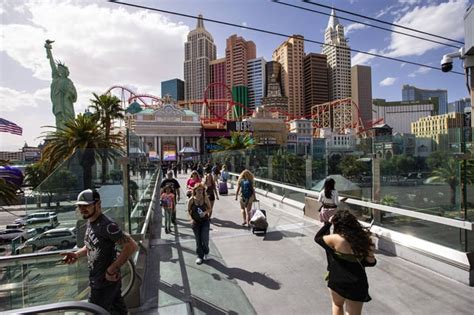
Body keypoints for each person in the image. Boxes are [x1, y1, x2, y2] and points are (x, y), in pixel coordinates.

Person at [62, 189, 138, 314]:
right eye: (80, 206)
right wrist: (76, 254)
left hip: (103, 284)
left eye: (86, 205)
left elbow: (131, 246)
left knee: (93, 312)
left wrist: (111, 269)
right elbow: (90, 246)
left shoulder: (107, 225)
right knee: (118, 311)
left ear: (98, 204)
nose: (82, 209)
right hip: (101, 281)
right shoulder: (90, 222)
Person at [314, 210, 376, 315]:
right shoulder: (365, 239)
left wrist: (329, 223)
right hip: (357, 282)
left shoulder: (335, 239)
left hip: (337, 278)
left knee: (337, 305)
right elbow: (371, 262)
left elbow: (318, 238)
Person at [44, 40, 76, 131]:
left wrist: (68, 94)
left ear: (65, 71)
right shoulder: (56, 78)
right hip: (57, 103)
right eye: (58, 69)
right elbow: (52, 63)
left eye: (60, 69)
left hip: (67, 103)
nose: (59, 70)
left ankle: (68, 134)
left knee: (69, 121)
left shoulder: (69, 81)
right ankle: (60, 134)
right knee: (59, 121)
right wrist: (48, 50)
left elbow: (74, 94)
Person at [187, 183, 212, 265]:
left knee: (204, 239)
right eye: (198, 190)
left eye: (202, 190)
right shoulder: (191, 200)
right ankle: (199, 256)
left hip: (205, 221)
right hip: (195, 223)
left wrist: (205, 213)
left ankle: (206, 252)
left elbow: (209, 208)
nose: (200, 191)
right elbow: (188, 211)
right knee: (198, 240)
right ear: (195, 190)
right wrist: (191, 220)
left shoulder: (205, 198)